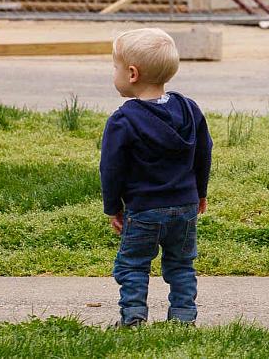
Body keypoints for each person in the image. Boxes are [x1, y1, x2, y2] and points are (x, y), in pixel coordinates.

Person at [100, 28, 213, 326]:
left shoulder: (123, 120)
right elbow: (203, 153)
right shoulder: (189, 110)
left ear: (132, 74)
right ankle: (183, 318)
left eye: (116, 67)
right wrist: (200, 192)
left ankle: (134, 317)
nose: (114, 73)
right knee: (181, 265)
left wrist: (113, 206)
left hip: (145, 209)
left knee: (133, 265)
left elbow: (111, 168)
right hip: (186, 207)